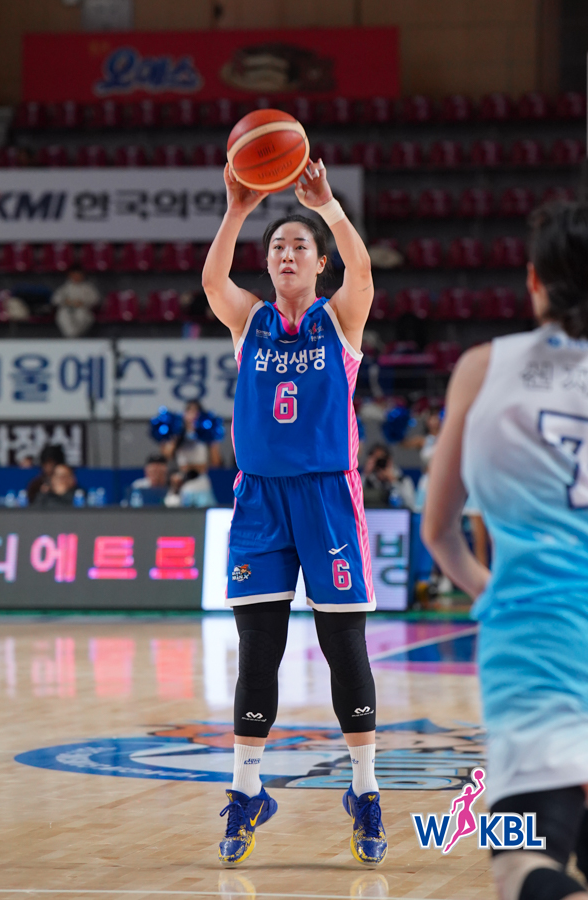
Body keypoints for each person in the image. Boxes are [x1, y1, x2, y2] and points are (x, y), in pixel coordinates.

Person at [202, 159, 386, 867]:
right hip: (259, 501)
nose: (286, 254)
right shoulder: (248, 320)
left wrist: (328, 206)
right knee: (258, 651)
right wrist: (236, 208)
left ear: (318, 262)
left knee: (344, 647)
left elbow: (363, 274)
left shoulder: (339, 318)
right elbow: (213, 282)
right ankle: (247, 791)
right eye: (278, 246)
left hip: (327, 497)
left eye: (299, 246)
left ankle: (365, 791)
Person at [422, 201, 588, 900]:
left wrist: (495, 592)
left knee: (520, 861)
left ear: (534, 281)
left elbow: (439, 530)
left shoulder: (482, 368)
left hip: (535, 637)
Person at [160, 401, 222, 474]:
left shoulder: (207, 434)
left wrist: (212, 440)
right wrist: (174, 438)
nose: (192, 414)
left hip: (201, 475)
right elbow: (167, 456)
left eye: (196, 411)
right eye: (189, 410)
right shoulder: (177, 433)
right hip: (182, 475)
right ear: (184, 414)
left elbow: (216, 462)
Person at [52, 266, 100, 338]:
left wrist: (83, 302)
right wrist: (66, 301)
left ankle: (74, 338)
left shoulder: (88, 287)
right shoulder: (65, 287)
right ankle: (71, 337)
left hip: (83, 309)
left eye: (78, 274)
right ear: (70, 275)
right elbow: (55, 300)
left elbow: (96, 300)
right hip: (67, 309)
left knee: (82, 315)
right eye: (74, 274)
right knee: (63, 314)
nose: (76, 277)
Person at [362, 445, 415, 509]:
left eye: (383, 459)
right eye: (377, 460)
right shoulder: (366, 480)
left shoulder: (403, 481)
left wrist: (393, 481)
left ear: (389, 460)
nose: (380, 463)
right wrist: (366, 473)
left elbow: (410, 504)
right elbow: (355, 498)